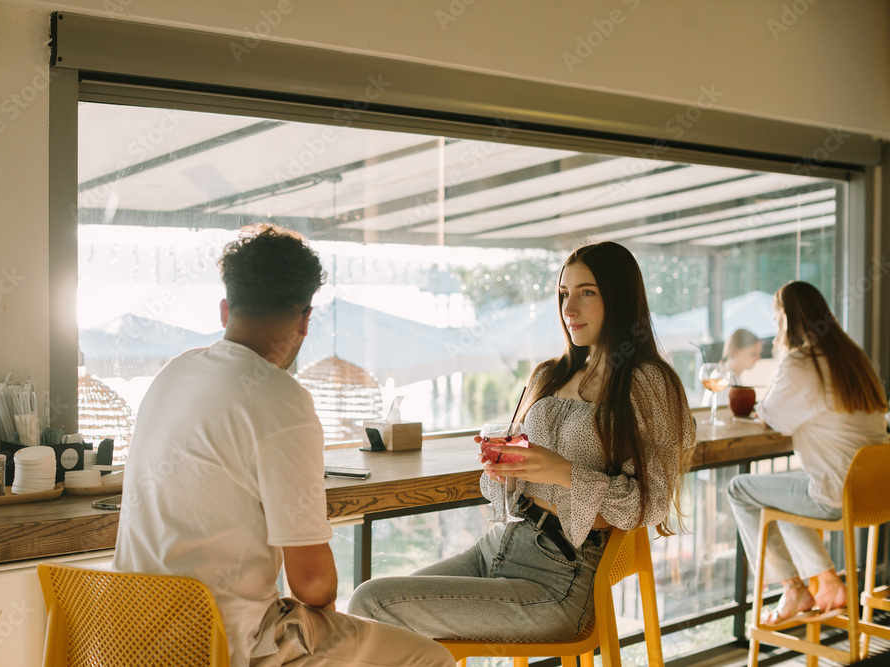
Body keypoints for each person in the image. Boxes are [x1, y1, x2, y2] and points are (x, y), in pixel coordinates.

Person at [113, 225, 455, 667]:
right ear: (304, 320)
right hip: (220, 644)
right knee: (430, 658)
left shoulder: (173, 374)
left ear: (224, 311)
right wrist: (326, 618)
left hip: (124, 634)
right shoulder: (282, 399)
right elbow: (312, 582)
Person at [348, 241, 695, 642]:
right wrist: (502, 468)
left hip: (559, 579)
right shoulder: (550, 373)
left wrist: (563, 472)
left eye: (587, 293)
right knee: (370, 615)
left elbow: (648, 504)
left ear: (618, 296)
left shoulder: (649, 383)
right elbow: (519, 476)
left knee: (372, 603)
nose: (569, 309)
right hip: (498, 545)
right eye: (564, 294)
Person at [727, 281, 889, 628]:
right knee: (783, 496)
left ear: (784, 318)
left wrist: (782, 358)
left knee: (739, 488)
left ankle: (793, 587)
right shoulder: (852, 357)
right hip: (876, 492)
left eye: (775, 318)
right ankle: (828, 583)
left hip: (837, 494)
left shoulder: (803, 362)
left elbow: (772, 415)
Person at [700, 328, 761, 406]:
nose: (758, 359)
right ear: (736, 352)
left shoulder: (731, 377)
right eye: (753, 354)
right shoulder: (724, 381)